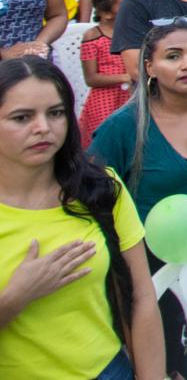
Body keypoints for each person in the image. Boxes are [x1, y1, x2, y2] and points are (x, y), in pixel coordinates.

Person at [89, 18, 187, 374]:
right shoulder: (123, 126)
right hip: (152, 256)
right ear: (150, 66)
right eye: (173, 56)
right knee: (173, 359)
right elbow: (92, 194)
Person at [0, 56, 163, 379]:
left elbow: (141, 296)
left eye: (56, 113)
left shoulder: (101, 189)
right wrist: (16, 297)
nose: (43, 128)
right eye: (22, 117)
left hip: (106, 370)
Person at [79, 0, 132, 139]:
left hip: (130, 96)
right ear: (106, 13)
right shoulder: (93, 36)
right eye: (125, 3)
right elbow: (91, 78)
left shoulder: (133, 32)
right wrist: (125, 77)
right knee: (105, 138)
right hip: (105, 100)